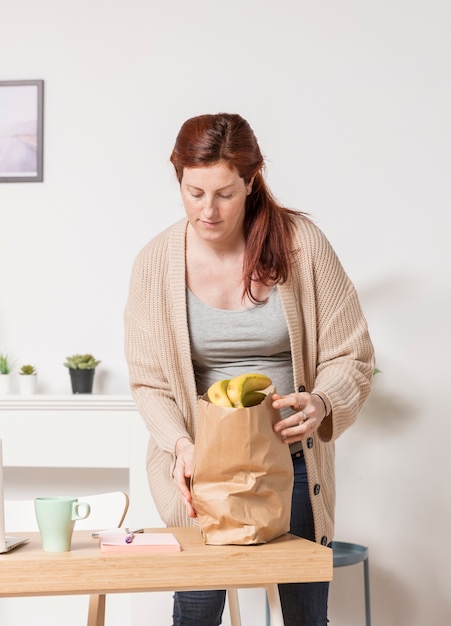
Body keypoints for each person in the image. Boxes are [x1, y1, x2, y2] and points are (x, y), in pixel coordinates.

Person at [124, 113, 375, 626]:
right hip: (199, 465)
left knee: (306, 615)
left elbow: (352, 353)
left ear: (251, 182)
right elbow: (150, 381)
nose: (207, 210)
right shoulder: (154, 263)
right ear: (179, 180)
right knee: (195, 612)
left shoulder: (302, 245)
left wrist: (323, 402)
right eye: (194, 193)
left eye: (224, 194)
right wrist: (181, 445)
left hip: (292, 462)